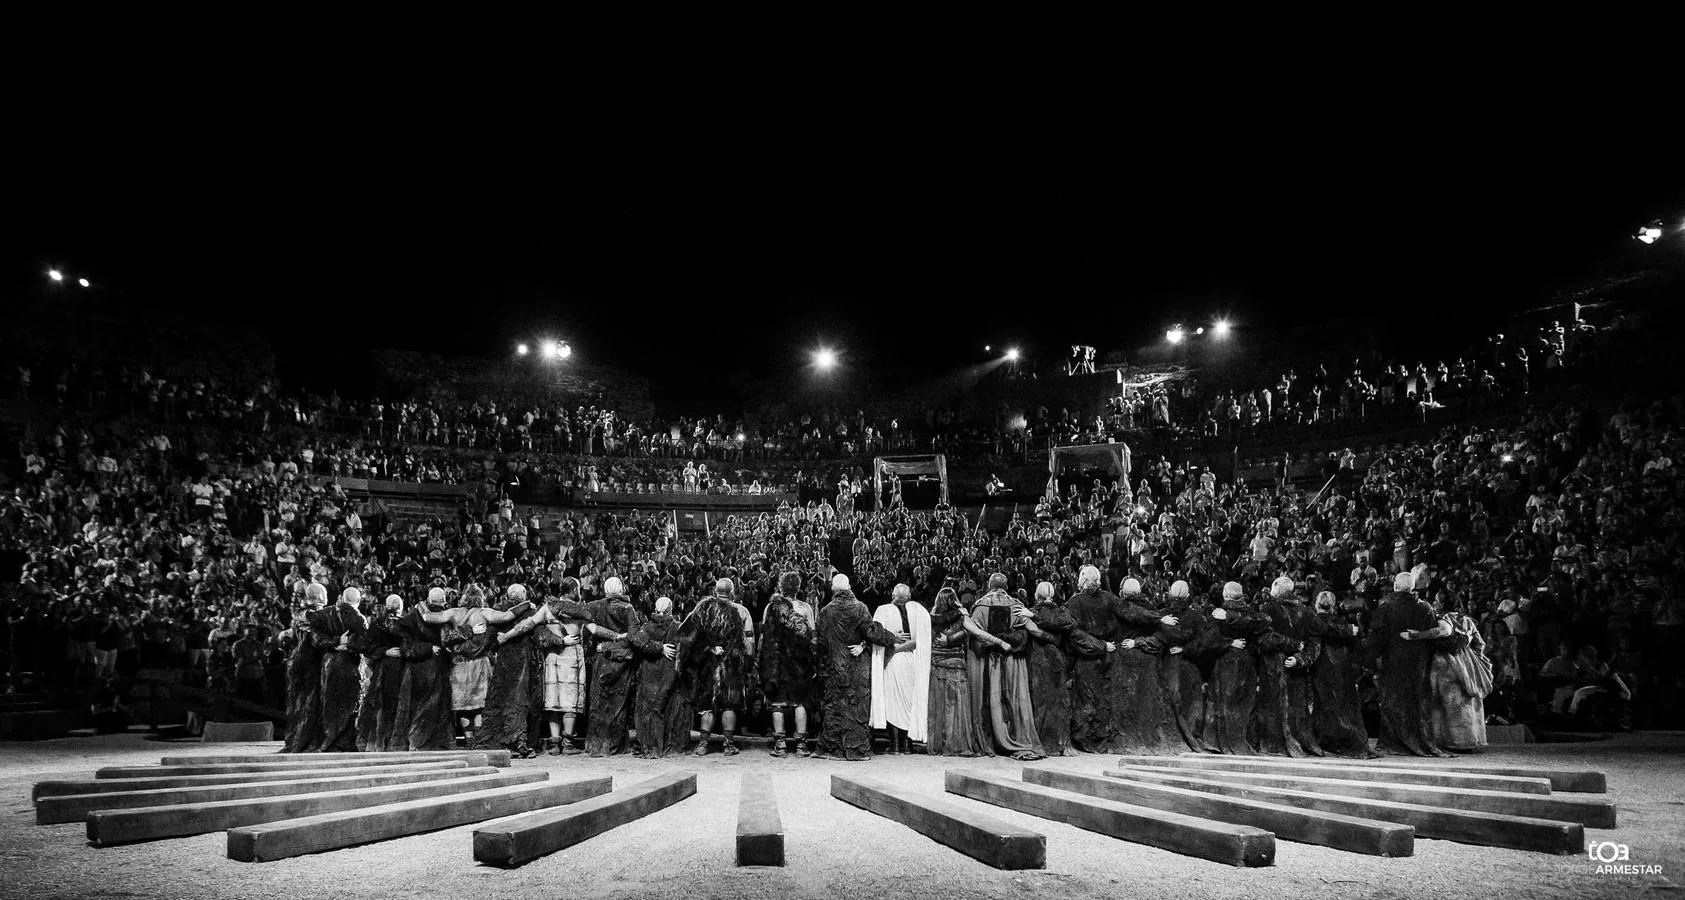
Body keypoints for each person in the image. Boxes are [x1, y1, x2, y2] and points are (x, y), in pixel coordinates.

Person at [423, 586, 524, 748]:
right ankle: (478, 739)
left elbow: (427, 617)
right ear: (481, 597)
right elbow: (507, 615)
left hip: (459, 664)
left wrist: (421, 603)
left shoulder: (453, 613)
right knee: (479, 706)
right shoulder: (485, 612)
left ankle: (469, 739)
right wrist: (525, 604)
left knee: (463, 706)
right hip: (480, 664)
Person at [814, 573, 901, 760]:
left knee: (835, 707)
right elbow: (872, 633)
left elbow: (820, 645)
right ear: (849, 587)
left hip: (834, 668)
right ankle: (856, 751)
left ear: (833, 590)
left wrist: (821, 669)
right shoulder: (860, 608)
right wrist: (891, 638)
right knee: (856, 708)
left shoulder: (825, 611)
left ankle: (833, 749)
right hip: (856, 667)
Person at [1366, 572, 1452, 757]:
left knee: (1392, 701)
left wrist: (1371, 659)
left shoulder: (1386, 607)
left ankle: (1392, 742)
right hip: (1419, 664)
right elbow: (1433, 635)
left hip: (1393, 662)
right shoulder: (1425, 608)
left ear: (1396, 586)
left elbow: (1376, 638)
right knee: (1417, 701)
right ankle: (1418, 739)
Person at [967, 573, 1045, 761]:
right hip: (1013, 661)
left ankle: (994, 739)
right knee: (1015, 698)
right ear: (1006, 586)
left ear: (989, 585)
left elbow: (976, 634)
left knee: (992, 698)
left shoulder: (981, 606)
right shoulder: (1017, 605)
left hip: (990, 660)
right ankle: (1018, 738)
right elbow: (1033, 629)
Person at [681, 578, 756, 756]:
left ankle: (703, 745)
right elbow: (750, 645)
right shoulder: (742, 611)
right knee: (729, 705)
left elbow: (687, 635)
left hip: (708, 663)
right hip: (732, 664)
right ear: (733, 592)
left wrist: (705, 650)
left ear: (715, 591)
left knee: (708, 704)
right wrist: (748, 666)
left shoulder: (704, 608)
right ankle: (728, 745)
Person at [1019, 579, 1092, 757]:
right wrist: (1055, 639)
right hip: (1057, 659)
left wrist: (1034, 617)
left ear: (1037, 595)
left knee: (1041, 700)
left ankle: (1042, 742)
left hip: (1039, 660)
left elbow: (1036, 631)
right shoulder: (1061, 613)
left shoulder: (1032, 612)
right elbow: (1064, 624)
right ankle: (1062, 743)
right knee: (1059, 700)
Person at [1113, 577, 1180, 755]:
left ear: (1122, 591)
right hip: (1148, 660)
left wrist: (1136, 643)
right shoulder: (1151, 610)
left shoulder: (1121, 606)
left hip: (1126, 660)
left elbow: (1132, 613)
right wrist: (1159, 619)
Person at [1253, 576, 1318, 758]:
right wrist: (1300, 659)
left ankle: (1275, 744)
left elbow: (1264, 640)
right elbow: (1314, 645)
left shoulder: (1267, 609)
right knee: (1296, 709)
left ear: (1275, 587)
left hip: (1273, 668)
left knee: (1275, 706)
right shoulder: (1308, 612)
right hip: (1297, 670)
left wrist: (1292, 647)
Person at [757, 572, 818, 758]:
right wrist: (813, 663)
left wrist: (762, 663)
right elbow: (813, 639)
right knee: (800, 702)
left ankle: (780, 746)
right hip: (800, 663)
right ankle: (801, 747)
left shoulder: (771, 606)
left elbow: (764, 637)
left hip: (778, 662)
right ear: (798, 587)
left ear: (781, 587)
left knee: (777, 703)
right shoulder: (806, 607)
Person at [480, 584, 543, 758]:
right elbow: (535, 631)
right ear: (523, 595)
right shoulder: (529, 610)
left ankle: (500, 741)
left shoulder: (499, 611)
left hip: (504, 662)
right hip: (524, 660)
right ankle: (519, 742)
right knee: (520, 700)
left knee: (501, 698)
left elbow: (490, 638)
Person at [1064, 566, 1123, 752]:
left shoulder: (1074, 602)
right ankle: (1098, 739)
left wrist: (1099, 645)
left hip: (1088, 658)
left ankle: (1087, 739)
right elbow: (1128, 613)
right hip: (1105, 654)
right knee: (1100, 699)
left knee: (1087, 699)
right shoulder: (1109, 598)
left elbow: (1073, 633)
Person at [1203, 582, 1265, 754]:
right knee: (1244, 703)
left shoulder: (1220, 614)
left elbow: (1208, 640)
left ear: (1225, 595)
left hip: (1226, 662)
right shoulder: (1252, 613)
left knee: (1223, 701)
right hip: (1247, 663)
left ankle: (1218, 741)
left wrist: (1228, 641)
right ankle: (1244, 740)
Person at [1310, 591, 1375, 758]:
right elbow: (1355, 642)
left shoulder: (1315, 621)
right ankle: (1343, 739)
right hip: (1342, 669)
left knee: (1325, 704)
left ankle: (1330, 739)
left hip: (1323, 668)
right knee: (1343, 705)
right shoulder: (1342, 623)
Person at [1158, 580, 1219, 752]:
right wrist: (1185, 649)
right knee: (1190, 702)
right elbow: (1203, 643)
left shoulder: (1162, 615)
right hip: (1189, 665)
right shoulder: (1196, 617)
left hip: (1168, 665)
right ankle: (1191, 735)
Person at [926, 587, 988, 756]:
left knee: (938, 706)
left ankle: (938, 744)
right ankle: (957, 743)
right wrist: (999, 641)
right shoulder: (962, 617)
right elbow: (977, 632)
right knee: (956, 706)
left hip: (937, 664)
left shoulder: (930, 618)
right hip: (956, 664)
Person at [583, 576, 642, 756]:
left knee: (599, 701)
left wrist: (603, 644)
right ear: (621, 588)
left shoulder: (594, 606)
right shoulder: (627, 608)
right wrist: (617, 638)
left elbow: (590, 629)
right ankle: (614, 746)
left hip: (601, 657)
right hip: (622, 661)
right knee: (618, 702)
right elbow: (633, 636)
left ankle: (595, 745)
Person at [869, 582, 930, 754]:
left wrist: (896, 645)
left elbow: (877, 637)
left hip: (893, 660)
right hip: (912, 661)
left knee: (893, 702)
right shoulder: (920, 611)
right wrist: (908, 645)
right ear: (909, 596)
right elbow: (924, 639)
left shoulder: (883, 610)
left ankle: (895, 745)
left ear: (892, 595)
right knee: (908, 702)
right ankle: (907, 746)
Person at [391, 587, 454, 751]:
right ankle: (418, 743)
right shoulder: (437, 617)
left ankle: (424, 744)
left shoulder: (412, 617)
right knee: (427, 707)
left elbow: (407, 649)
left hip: (425, 670)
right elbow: (407, 649)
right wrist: (429, 648)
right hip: (425, 670)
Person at [627, 595, 691, 757]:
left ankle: (649, 746)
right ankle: (669, 746)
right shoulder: (678, 627)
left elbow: (637, 643)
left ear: (655, 609)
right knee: (670, 708)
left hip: (649, 674)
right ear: (671, 609)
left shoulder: (646, 628)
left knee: (648, 710)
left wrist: (657, 648)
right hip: (670, 673)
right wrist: (661, 648)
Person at [1426, 599, 1492, 752]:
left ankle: (1450, 741)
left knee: (1446, 704)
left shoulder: (1439, 622)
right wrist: (1472, 657)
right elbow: (1480, 644)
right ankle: (1471, 740)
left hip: (1444, 665)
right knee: (1467, 703)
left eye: (1437, 601)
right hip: (1466, 665)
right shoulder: (1467, 621)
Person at [311, 587, 368, 752]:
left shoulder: (325, 614)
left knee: (330, 702)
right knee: (349, 704)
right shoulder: (359, 619)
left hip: (328, 663)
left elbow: (316, 639)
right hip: (349, 665)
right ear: (358, 601)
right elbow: (362, 644)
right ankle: (343, 742)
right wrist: (344, 644)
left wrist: (334, 643)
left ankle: (328, 741)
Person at [355, 593, 407, 752]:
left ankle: (379, 743)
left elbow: (366, 647)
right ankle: (389, 743)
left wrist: (384, 651)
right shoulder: (403, 624)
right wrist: (387, 651)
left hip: (389, 670)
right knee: (388, 705)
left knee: (382, 705)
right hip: (391, 671)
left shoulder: (379, 623)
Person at [280, 582, 328, 753]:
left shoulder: (300, 615)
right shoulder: (318, 615)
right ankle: (306, 741)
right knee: (310, 703)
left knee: (297, 703)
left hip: (296, 663)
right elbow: (317, 640)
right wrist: (338, 642)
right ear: (322, 597)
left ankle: (294, 740)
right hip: (311, 663)